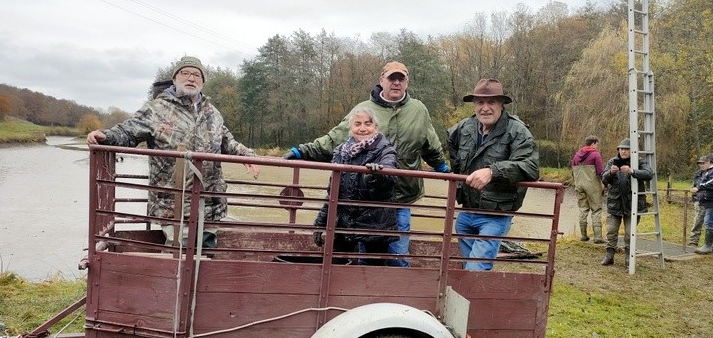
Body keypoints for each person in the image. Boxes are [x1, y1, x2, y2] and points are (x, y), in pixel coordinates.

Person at [283, 61, 449, 267]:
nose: (396, 83)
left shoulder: (418, 109)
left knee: (398, 256)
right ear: (382, 81)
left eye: (401, 79)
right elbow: (334, 139)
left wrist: (441, 166)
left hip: (401, 196)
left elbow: (430, 142)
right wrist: (302, 151)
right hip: (366, 200)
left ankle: (395, 295)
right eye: (391, 78)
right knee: (367, 257)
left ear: (407, 82)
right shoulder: (364, 110)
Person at [86, 56, 260, 249]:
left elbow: (227, 142)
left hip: (210, 202)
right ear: (175, 79)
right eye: (185, 73)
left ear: (202, 81)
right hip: (172, 202)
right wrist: (106, 136)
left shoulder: (213, 113)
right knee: (179, 256)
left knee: (207, 254)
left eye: (196, 74)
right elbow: (128, 132)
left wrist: (247, 156)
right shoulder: (156, 109)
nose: (191, 78)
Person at [447, 78, 539, 271]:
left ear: (501, 104)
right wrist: (460, 176)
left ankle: (475, 298)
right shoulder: (465, 127)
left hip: (496, 215)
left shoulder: (517, 131)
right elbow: (451, 144)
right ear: (474, 105)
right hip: (467, 212)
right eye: (480, 102)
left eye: (492, 102)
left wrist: (493, 171)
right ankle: (474, 299)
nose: (485, 108)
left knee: (476, 269)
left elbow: (530, 167)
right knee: (468, 269)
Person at [312, 107, 398, 266]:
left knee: (373, 273)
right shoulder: (341, 152)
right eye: (357, 124)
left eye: (368, 123)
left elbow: (390, 174)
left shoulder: (386, 149)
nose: (363, 128)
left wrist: (376, 175)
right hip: (345, 222)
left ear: (376, 128)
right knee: (336, 268)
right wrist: (320, 222)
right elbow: (333, 192)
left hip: (375, 224)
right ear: (351, 128)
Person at [600, 138, 653, 267]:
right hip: (615, 204)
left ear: (632, 150)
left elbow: (649, 174)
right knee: (611, 231)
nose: (623, 151)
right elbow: (604, 179)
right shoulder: (612, 162)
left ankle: (629, 257)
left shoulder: (639, 162)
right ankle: (609, 256)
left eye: (626, 149)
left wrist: (632, 171)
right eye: (621, 149)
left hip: (633, 205)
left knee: (630, 233)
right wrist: (611, 173)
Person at [571, 135, 606, 243]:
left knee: (583, 209)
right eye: (597, 144)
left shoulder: (577, 155)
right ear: (594, 143)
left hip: (579, 184)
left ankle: (583, 235)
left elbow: (573, 171)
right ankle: (598, 237)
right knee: (596, 209)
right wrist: (605, 184)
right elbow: (601, 171)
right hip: (592, 185)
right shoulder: (595, 154)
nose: (597, 146)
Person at [688, 155, 709, 246]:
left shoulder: (712, 174)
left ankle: (708, 243)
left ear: (708, 163)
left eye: (703, 163)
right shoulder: (698, 174)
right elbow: (694, 185)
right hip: (698, 200)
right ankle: (693, 241)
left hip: (708, 199)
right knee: (697, 221)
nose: (701, 165)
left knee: (709, 223)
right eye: (699, 163)